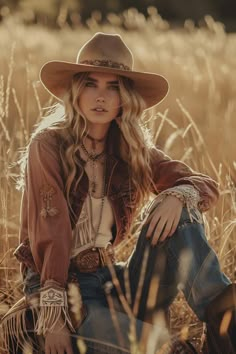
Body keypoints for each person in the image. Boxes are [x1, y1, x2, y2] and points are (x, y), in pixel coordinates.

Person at [1, 32, 235, 354]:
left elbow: (204, 184)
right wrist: (54, 316)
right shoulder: (49, 145)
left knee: (181, 206)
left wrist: (177, 195)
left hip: (113, 279)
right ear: (75, 91)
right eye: (90, 84)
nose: (101, 97)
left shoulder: (131, 149)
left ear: (125, 96)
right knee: (167, 350)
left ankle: (225, 319)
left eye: (113, 87)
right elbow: (50, 231)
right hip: (63, 288)